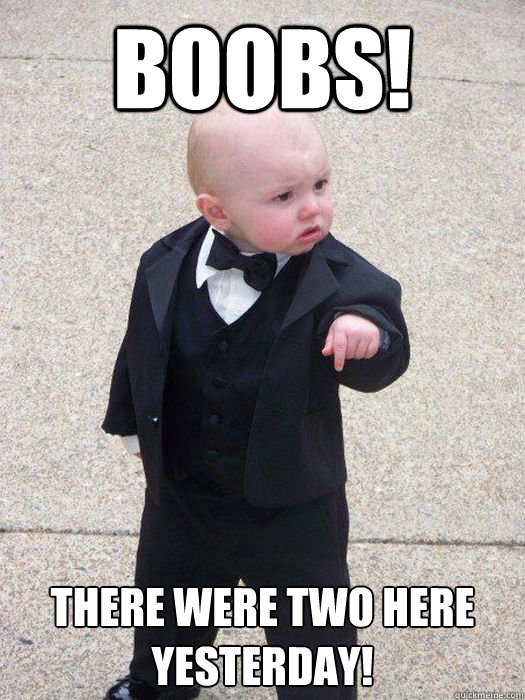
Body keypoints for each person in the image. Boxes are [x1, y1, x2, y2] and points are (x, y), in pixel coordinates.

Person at [101, 101, 410, 700]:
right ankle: (158, 685)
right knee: (169, 598)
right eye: (284, 196)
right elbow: (141, 348)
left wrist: (368, 334)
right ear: (217, 211)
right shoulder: (164, 263)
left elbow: (386, 348)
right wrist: (132, 424)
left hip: (293, 500)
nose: (313, 207)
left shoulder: (340, 278)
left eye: (320, 184)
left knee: (312, 624)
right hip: (185, 492)